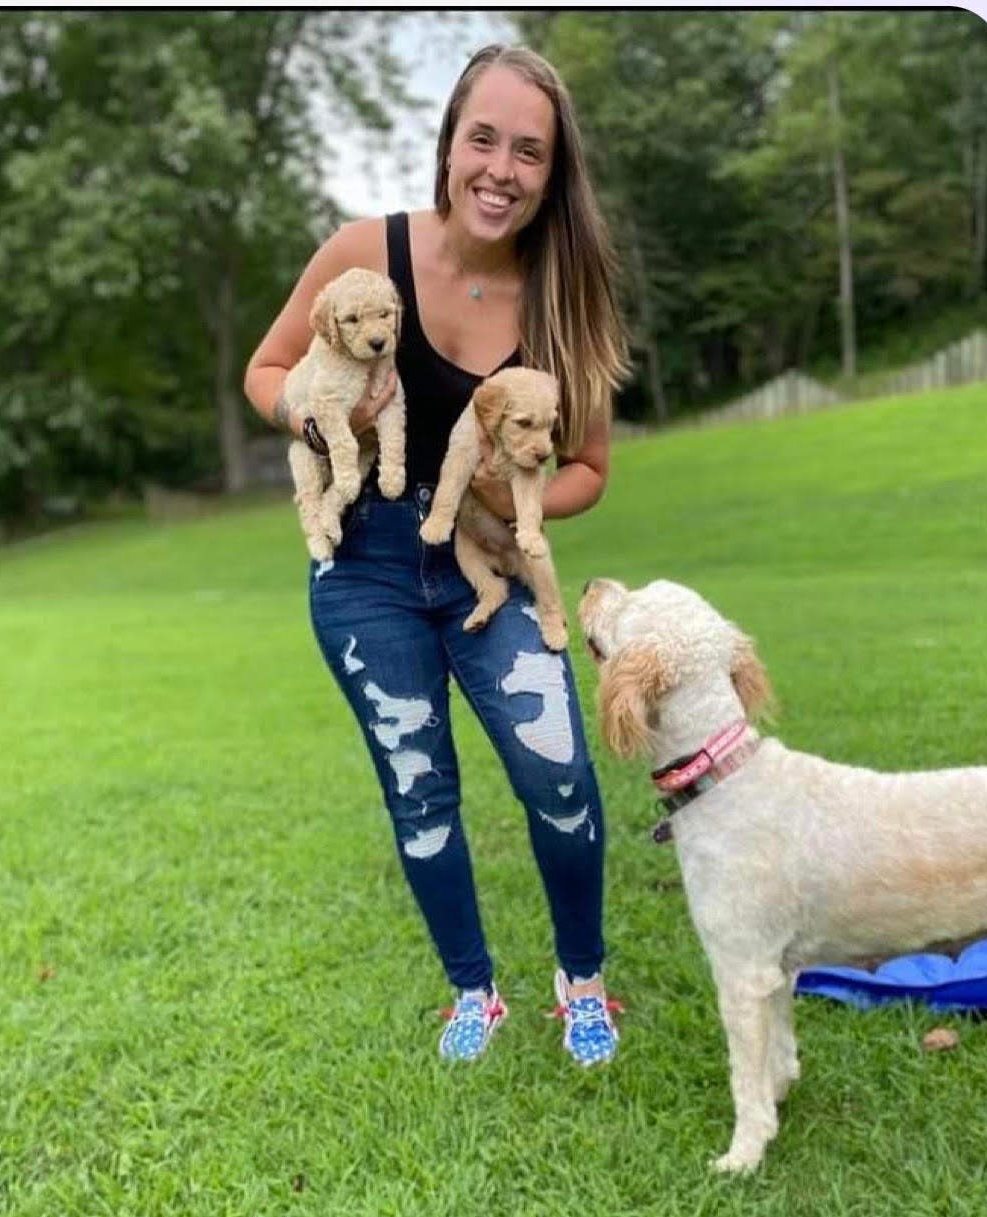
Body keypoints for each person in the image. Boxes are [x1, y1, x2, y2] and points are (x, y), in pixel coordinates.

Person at [244, 44, 628, 1064]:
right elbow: (267, 366)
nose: (501, 168)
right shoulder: (367, 251)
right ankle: (475, 990)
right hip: (364, 566)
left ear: (555, 174)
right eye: (484, 139)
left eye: (529, 152)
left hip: (489, 561)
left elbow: (589, 466)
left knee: (559, 775)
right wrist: (317, 419)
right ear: (450, 142)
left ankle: (580, 979)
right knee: (418, 787)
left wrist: (508, 493)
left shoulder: (566, 295)